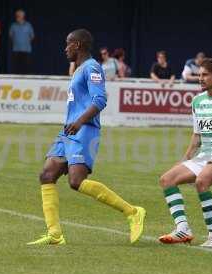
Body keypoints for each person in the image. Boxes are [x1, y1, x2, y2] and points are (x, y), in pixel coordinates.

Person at [27, 29, 146, 246]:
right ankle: (55, 234)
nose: (65, 48)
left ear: (78, 45)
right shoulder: (79, 69)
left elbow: (100, 100)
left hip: (84, 130)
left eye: (68, 44)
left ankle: (133, 212)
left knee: (76, 181)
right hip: (68, 131)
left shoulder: (92, 67)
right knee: (47, 174)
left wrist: (80, 122)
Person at [158, 58, 212, 248]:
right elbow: (197, 136)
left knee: (202, 181)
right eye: (199, 75)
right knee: (167, 179)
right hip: (205, 155)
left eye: (205, 75)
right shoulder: (197, 101)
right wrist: (185, 159)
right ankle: (183, 229)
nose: (200, 78)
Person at [9, 9, 34, 74]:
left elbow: (32, 37)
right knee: (16, 68)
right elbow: (11, 36)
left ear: (23, 16)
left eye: (19, 15)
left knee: (26, 68)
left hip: (26, 49)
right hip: (16, 49)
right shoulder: (13, 25)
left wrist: (25, 42)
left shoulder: (28, 25)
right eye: (17, 15)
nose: (17, 16)